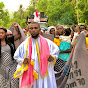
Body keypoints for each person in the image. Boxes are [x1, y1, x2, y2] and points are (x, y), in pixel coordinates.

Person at [14, 22, 59, 88]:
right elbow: (17, 56)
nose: (33, 30)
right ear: (28, 30)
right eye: (31, 28)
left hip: (44, 75)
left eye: (35, 28)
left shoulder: (48, 43)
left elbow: (56, 53)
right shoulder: (24, 44)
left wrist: (52, 57)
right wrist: (23, 61)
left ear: (39, 29)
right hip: (30, 73)